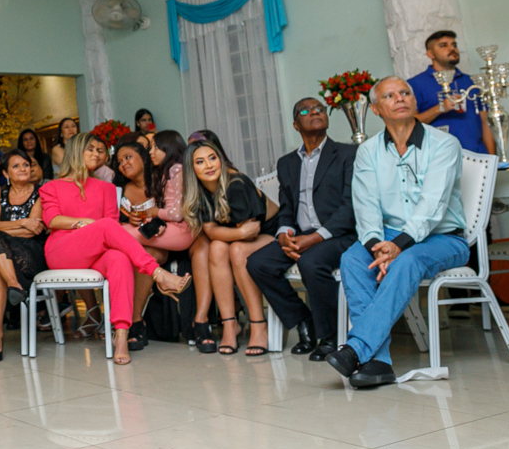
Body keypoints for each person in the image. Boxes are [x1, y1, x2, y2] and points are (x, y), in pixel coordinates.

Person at [325, 76, 470, 389]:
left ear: (415, 102)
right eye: (390, 95)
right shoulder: (368, 152)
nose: (400, 98)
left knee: (407, 260)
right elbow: (366, 208)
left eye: (405, 93)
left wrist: (398, 246)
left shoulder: (444, 144)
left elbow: (433, 205)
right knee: (353, 259)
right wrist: (379, 246)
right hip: (389, 237)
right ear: (377, 109)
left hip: (446, 238)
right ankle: (380, 363)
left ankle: (358, 350)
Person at [41, 132, 190, 365]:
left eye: (100, 150)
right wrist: (85, 224)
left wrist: (100, 228)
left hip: (95, 252)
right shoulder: (52, 187)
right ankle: (158, 273)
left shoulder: (107, 189)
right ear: (75, 152)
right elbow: (52, 220)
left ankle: (121, 335)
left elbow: (112, 231)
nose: (97, 154)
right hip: (62, 250)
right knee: (107, 227)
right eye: (90, 149)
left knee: (120, 258)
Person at [247, 98, 357, 361]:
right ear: (296, 124)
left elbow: (351, 205)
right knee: (257, 263)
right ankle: (303, 320)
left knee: (311, 262)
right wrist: (284, 232)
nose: (315, 112)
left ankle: (329, 335)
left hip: (339, 235)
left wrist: (316, 237)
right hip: (300, 235)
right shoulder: (287, 163)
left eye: (320, 108)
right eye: (306, 111)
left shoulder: (348, 154)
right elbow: (286, 206)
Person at [184, 139, 274, 356]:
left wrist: (241, 233)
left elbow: (251, 231)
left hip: (273, 234)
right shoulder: (200, 192)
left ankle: (258, 325)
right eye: (200, 161)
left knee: (235, 250)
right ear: (191, 169)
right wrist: (239, 233)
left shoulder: (236, 184)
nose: (208, 165)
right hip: (242, 237)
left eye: (212, 158)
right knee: (216, 248)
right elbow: (212, 232)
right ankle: (229, 324)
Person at [115, 139, 193, 352]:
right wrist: (129, 220)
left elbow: (173, 210)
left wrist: (156, 223)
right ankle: (135, 321)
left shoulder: (162, 178)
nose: (123, 163)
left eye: (128, 157)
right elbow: (119, 222)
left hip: (165, 241)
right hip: (138, 243)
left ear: (143, 157)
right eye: (120, 161)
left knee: (150, 253)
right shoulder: (121, 190)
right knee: (141, 254)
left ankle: (134, 321)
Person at [0, 150, 46, 363]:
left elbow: (33, 231)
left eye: (26, 164)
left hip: (29, 253)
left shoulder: (41, 193)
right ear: (6, 173)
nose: (23, 169)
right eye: (16, 166)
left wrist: (5, 228)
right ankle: (13, 287)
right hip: (1, 255)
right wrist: (22, 222)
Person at [407, 30, 495, 154]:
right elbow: (408, 124)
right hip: (439, 158)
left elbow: (485, 121)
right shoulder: (415, 84)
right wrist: (440, 108)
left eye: (454, 45)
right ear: (430, 54)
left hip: (477, 155)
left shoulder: (471, 82)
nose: (452, 49)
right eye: (443, 45)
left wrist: (492, 159)